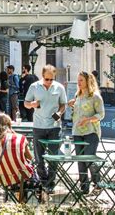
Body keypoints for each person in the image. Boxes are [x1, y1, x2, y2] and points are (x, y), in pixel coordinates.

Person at [24, 65, 67, 193]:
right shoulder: (34, 86)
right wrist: (31, 105)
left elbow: (63, 105)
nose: (48, 82)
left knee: (54, 157)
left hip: (54, 127)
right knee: (39, 157)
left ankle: (50, 183)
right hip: (38, 126)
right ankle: (43, 183)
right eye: (46, 79)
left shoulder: (59, 87)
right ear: (42, 76)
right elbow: (26, 103)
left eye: (51, 79)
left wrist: (59, 113)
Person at [68, 72, 105, 194]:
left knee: (89, 159)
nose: (78, 83)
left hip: (91, 132)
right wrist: (72, 106)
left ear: (88, 81)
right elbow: (76, 113)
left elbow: (101, 114)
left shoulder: (95, 97)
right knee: (80, 160)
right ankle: (84, 187)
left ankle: (98, 183)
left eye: (81, 80)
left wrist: (87, 120)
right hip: (77, 132)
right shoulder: (77, 95)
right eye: (78, 80)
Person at [0, 113, 35, 195]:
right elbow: (30, 158)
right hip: (22, 178)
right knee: (35, 172)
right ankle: (39, 197)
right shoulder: (20, 138)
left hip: (4, 180)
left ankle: (20, 198)